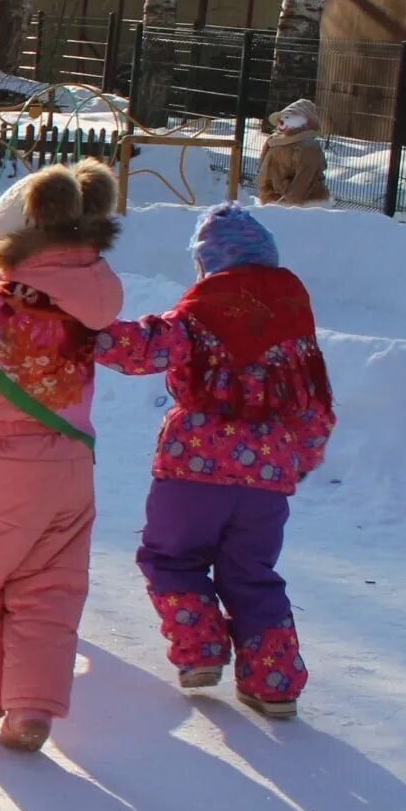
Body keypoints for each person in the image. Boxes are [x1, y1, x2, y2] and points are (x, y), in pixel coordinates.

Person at [96, 204, 331, 719]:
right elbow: (315, 405)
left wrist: (84, 328)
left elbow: (143, 349)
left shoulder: (203, 311)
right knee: (252, 574)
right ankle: (275, 685)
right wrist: (299, 460)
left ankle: (200, 651)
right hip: (267, 480)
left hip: (191, 470)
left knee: (171, 558)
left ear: (209, 265)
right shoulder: (292, 322)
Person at [0, 161, 121, 752]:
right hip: (72, 464)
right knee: (50, 587)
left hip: (5, 464)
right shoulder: (93, 297)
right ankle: (32, 708)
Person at [256, 99, 328, 206]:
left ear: (306, 122)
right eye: (281, 118)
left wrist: (288, 203)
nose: (281, 122)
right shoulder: (275, 141)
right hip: (272, 199)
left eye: (287, 117)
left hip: (302, 205)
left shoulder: (308, 147)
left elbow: (303, 181)